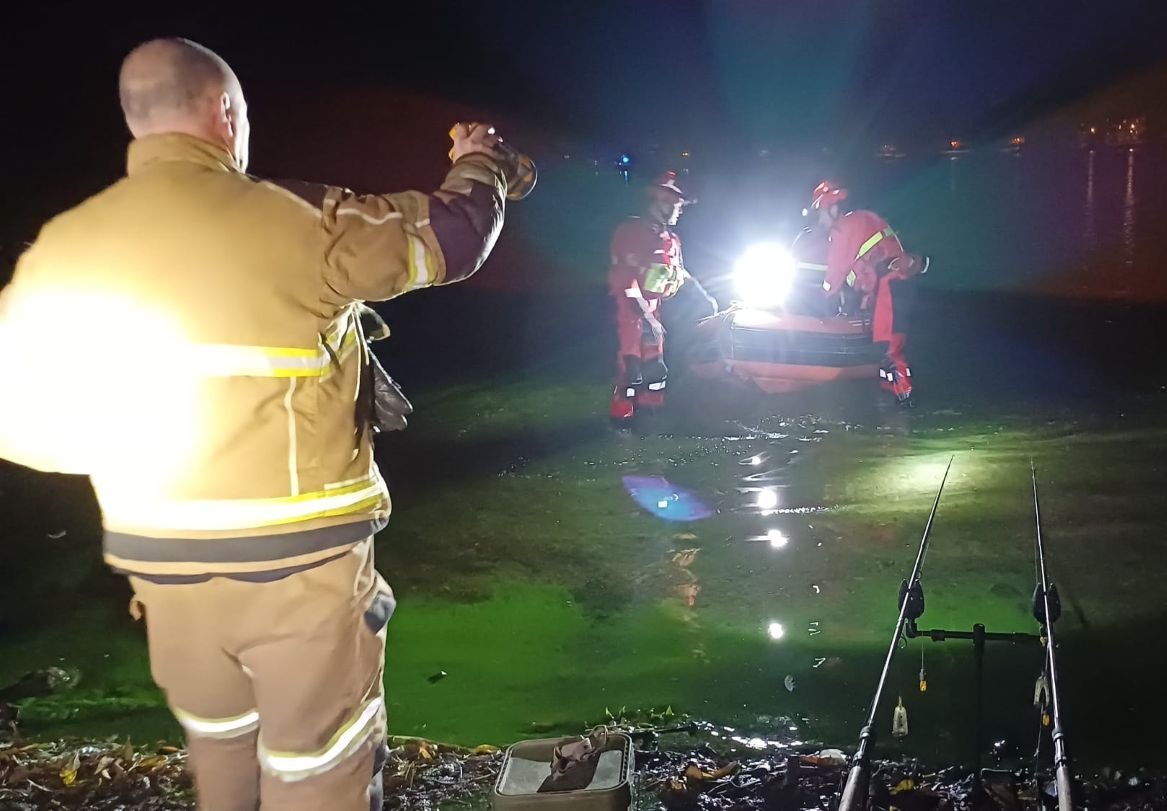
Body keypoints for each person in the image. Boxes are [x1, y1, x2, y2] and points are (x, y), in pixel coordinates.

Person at [0, 37, 523, 811]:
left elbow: (20, 425)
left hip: (164, 576)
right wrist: (481, 163)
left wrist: (144, 468)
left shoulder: (64, 244)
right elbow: (450, 239)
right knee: (318, 768)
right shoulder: (297, 220)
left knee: (223, 752)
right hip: (300, 577)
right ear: (226, 113)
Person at [608, 171, 716, 423]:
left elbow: (679, 273)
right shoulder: (631, 232)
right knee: (630, 375)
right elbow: (626, 284)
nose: (680, 211)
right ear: (663, 201)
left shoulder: (672, 240)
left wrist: (703, 297)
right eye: (678, 205)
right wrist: (647, 321)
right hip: (629, 319)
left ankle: (648, 421)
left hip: (653, 316)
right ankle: (620, 425)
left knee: (655, 375)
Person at [808, 181, 927, 402]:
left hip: (889, 287)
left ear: (833, 208)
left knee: (889, 347)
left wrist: (822, 298)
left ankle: (904, 404)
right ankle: (890, 400)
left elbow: (836, 271)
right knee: (888, 346)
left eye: (821, 213)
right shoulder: (863, 219)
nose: (820, 220)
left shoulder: (843, 228)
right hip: (897, 285)